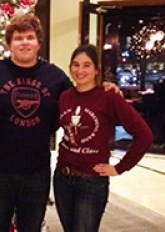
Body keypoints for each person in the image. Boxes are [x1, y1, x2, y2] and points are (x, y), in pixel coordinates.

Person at [0, 14, 121, 232]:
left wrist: (104, 86)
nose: (25, 42)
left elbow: (81, 93)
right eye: (18, 38)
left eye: (30, 37)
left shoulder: (55, 77)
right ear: (9, 43)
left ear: (38, 42)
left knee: (32, 228)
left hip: (36, 172)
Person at [53, 44, 153, 232]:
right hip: (62, 178)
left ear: (97, 69)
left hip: (91, 182)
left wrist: (121, 167)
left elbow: (144, 135)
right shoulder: (65, 97)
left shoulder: (109, 97)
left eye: (86, 65)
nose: (80, 70)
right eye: (75, 65)